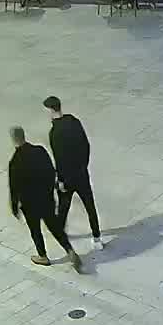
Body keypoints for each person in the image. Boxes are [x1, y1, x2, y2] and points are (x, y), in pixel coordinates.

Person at [8, 127, 82, 271]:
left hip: (30, 204)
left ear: (13, 140)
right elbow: (51, 171)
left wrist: (14, 206)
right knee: (54, 226)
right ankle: (69, 250)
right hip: (46, 198)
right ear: (24, 136)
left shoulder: (15, 162)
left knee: (35, 230)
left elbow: (14, 187)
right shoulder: (39, 151)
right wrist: (50, 190)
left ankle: (43, 256)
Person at [43, 96, 102, 251]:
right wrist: (83, 166)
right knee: (90, 206)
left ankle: (61, 235)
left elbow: (59, 159)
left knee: (63, 208)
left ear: (50, 110)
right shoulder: (75, 122)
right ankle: (97, 238)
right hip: (82, 175)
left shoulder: (54, 133)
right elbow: (86, 145)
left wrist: (61, 180)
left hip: (67, 179)